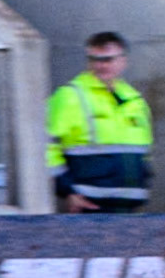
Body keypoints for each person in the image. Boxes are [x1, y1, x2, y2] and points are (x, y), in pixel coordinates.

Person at [46, 32, 152, 214]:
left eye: (108, 59)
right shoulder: (70, 96)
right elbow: (44, 147)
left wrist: (143, 185)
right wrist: (67, 192)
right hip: (89, 208)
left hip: (130, 210)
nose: (101, 65)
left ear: (123, 61)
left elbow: (145, 152)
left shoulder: (134, 100)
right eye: (94, 59)